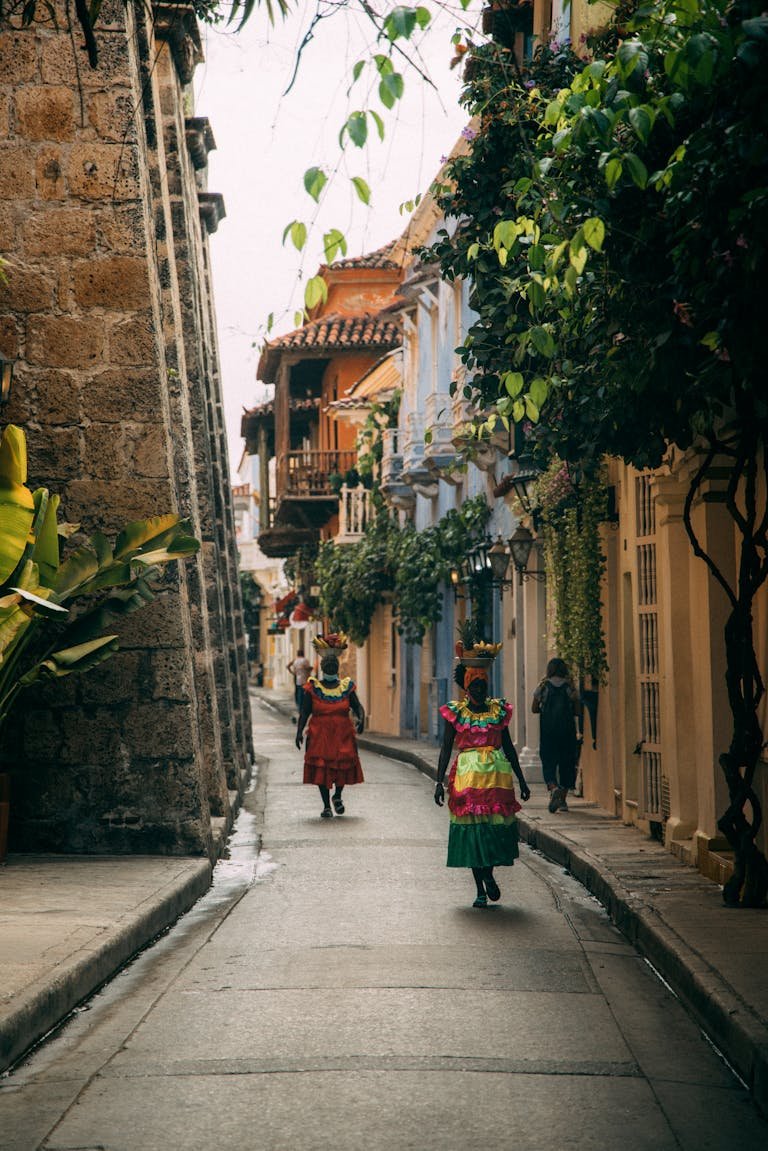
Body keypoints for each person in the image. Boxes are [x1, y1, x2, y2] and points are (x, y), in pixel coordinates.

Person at [434, 648, 530, 908]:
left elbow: (508, 747)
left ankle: (489, 874)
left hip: (497, 781)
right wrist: (438, 782)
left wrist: (521, 779)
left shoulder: (498, 711)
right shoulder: (456, 713)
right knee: (473, 832)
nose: (478, 690)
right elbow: (445, 748)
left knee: (492, 830)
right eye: (474, 685)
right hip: (466, 779)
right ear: (466, 687)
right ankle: (479, 887)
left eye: (482, 685)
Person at [295, 633, 365, 819]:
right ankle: (326, 805)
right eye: (328, 665)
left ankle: (338, 796)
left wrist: (361, 720)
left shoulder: (346, 687)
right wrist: (299, 732)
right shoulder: (313, 688)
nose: (330, 667)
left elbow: (357, 707)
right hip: (320, 735)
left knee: (343, 765)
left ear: (337, 668)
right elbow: (304, 712)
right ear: (323, 668)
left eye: (333, 665)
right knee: (321, 768)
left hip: (343, 734)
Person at [532, 657, 581, 813]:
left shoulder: (543, 687)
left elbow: (534, 708)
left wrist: (544, 710)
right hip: (567, 732)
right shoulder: (570, 687)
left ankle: (553, 788)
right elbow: (578, 710)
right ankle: (563, 801)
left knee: (548, 761)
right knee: (567, 763)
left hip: (548, 732)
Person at [287, 645, 312, 719]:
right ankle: (304, 707)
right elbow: (307, 668)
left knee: (298, 693)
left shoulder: (295, 660)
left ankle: (299, 707)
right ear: (303, 654)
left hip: (297, 678)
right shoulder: (305, 660)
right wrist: (310, 668)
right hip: (305, 679)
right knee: (304, 694)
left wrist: (292, 672)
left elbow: (288, 666)